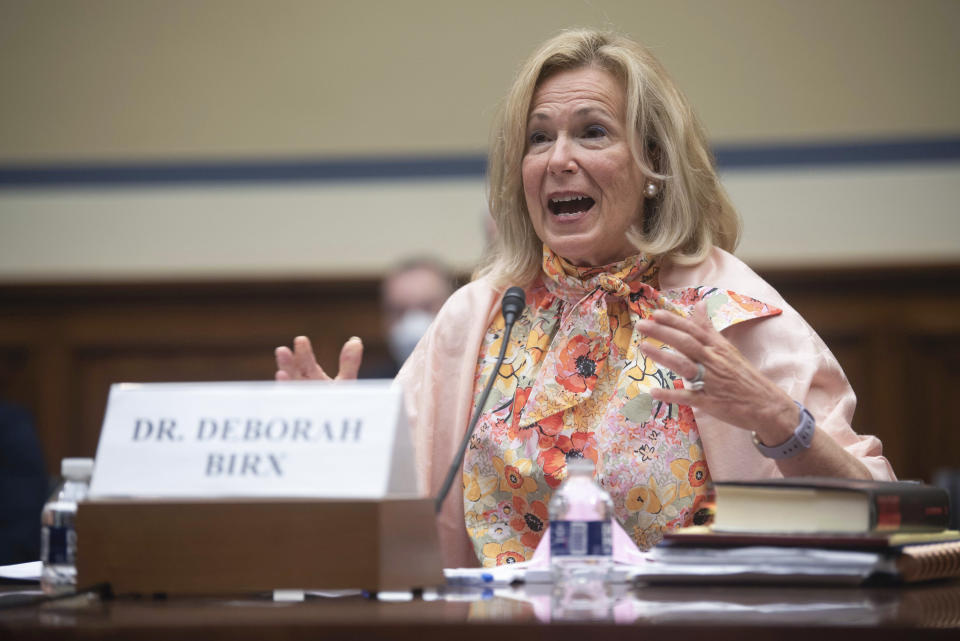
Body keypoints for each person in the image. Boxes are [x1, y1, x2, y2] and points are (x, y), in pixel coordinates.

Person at [276, 29, 894, 569]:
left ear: (654, 161)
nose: (559, 159)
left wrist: (777, 419)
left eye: (592, 132)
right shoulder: (481, 315)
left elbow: (876, 510)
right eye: (538, 139)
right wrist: (341, 446)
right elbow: (401, 514)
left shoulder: (728, 307)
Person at [360, 258, 456, 378]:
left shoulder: (476, 380)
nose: (412, 322)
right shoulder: (372, 385)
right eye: (399, 311)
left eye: (427, 307)